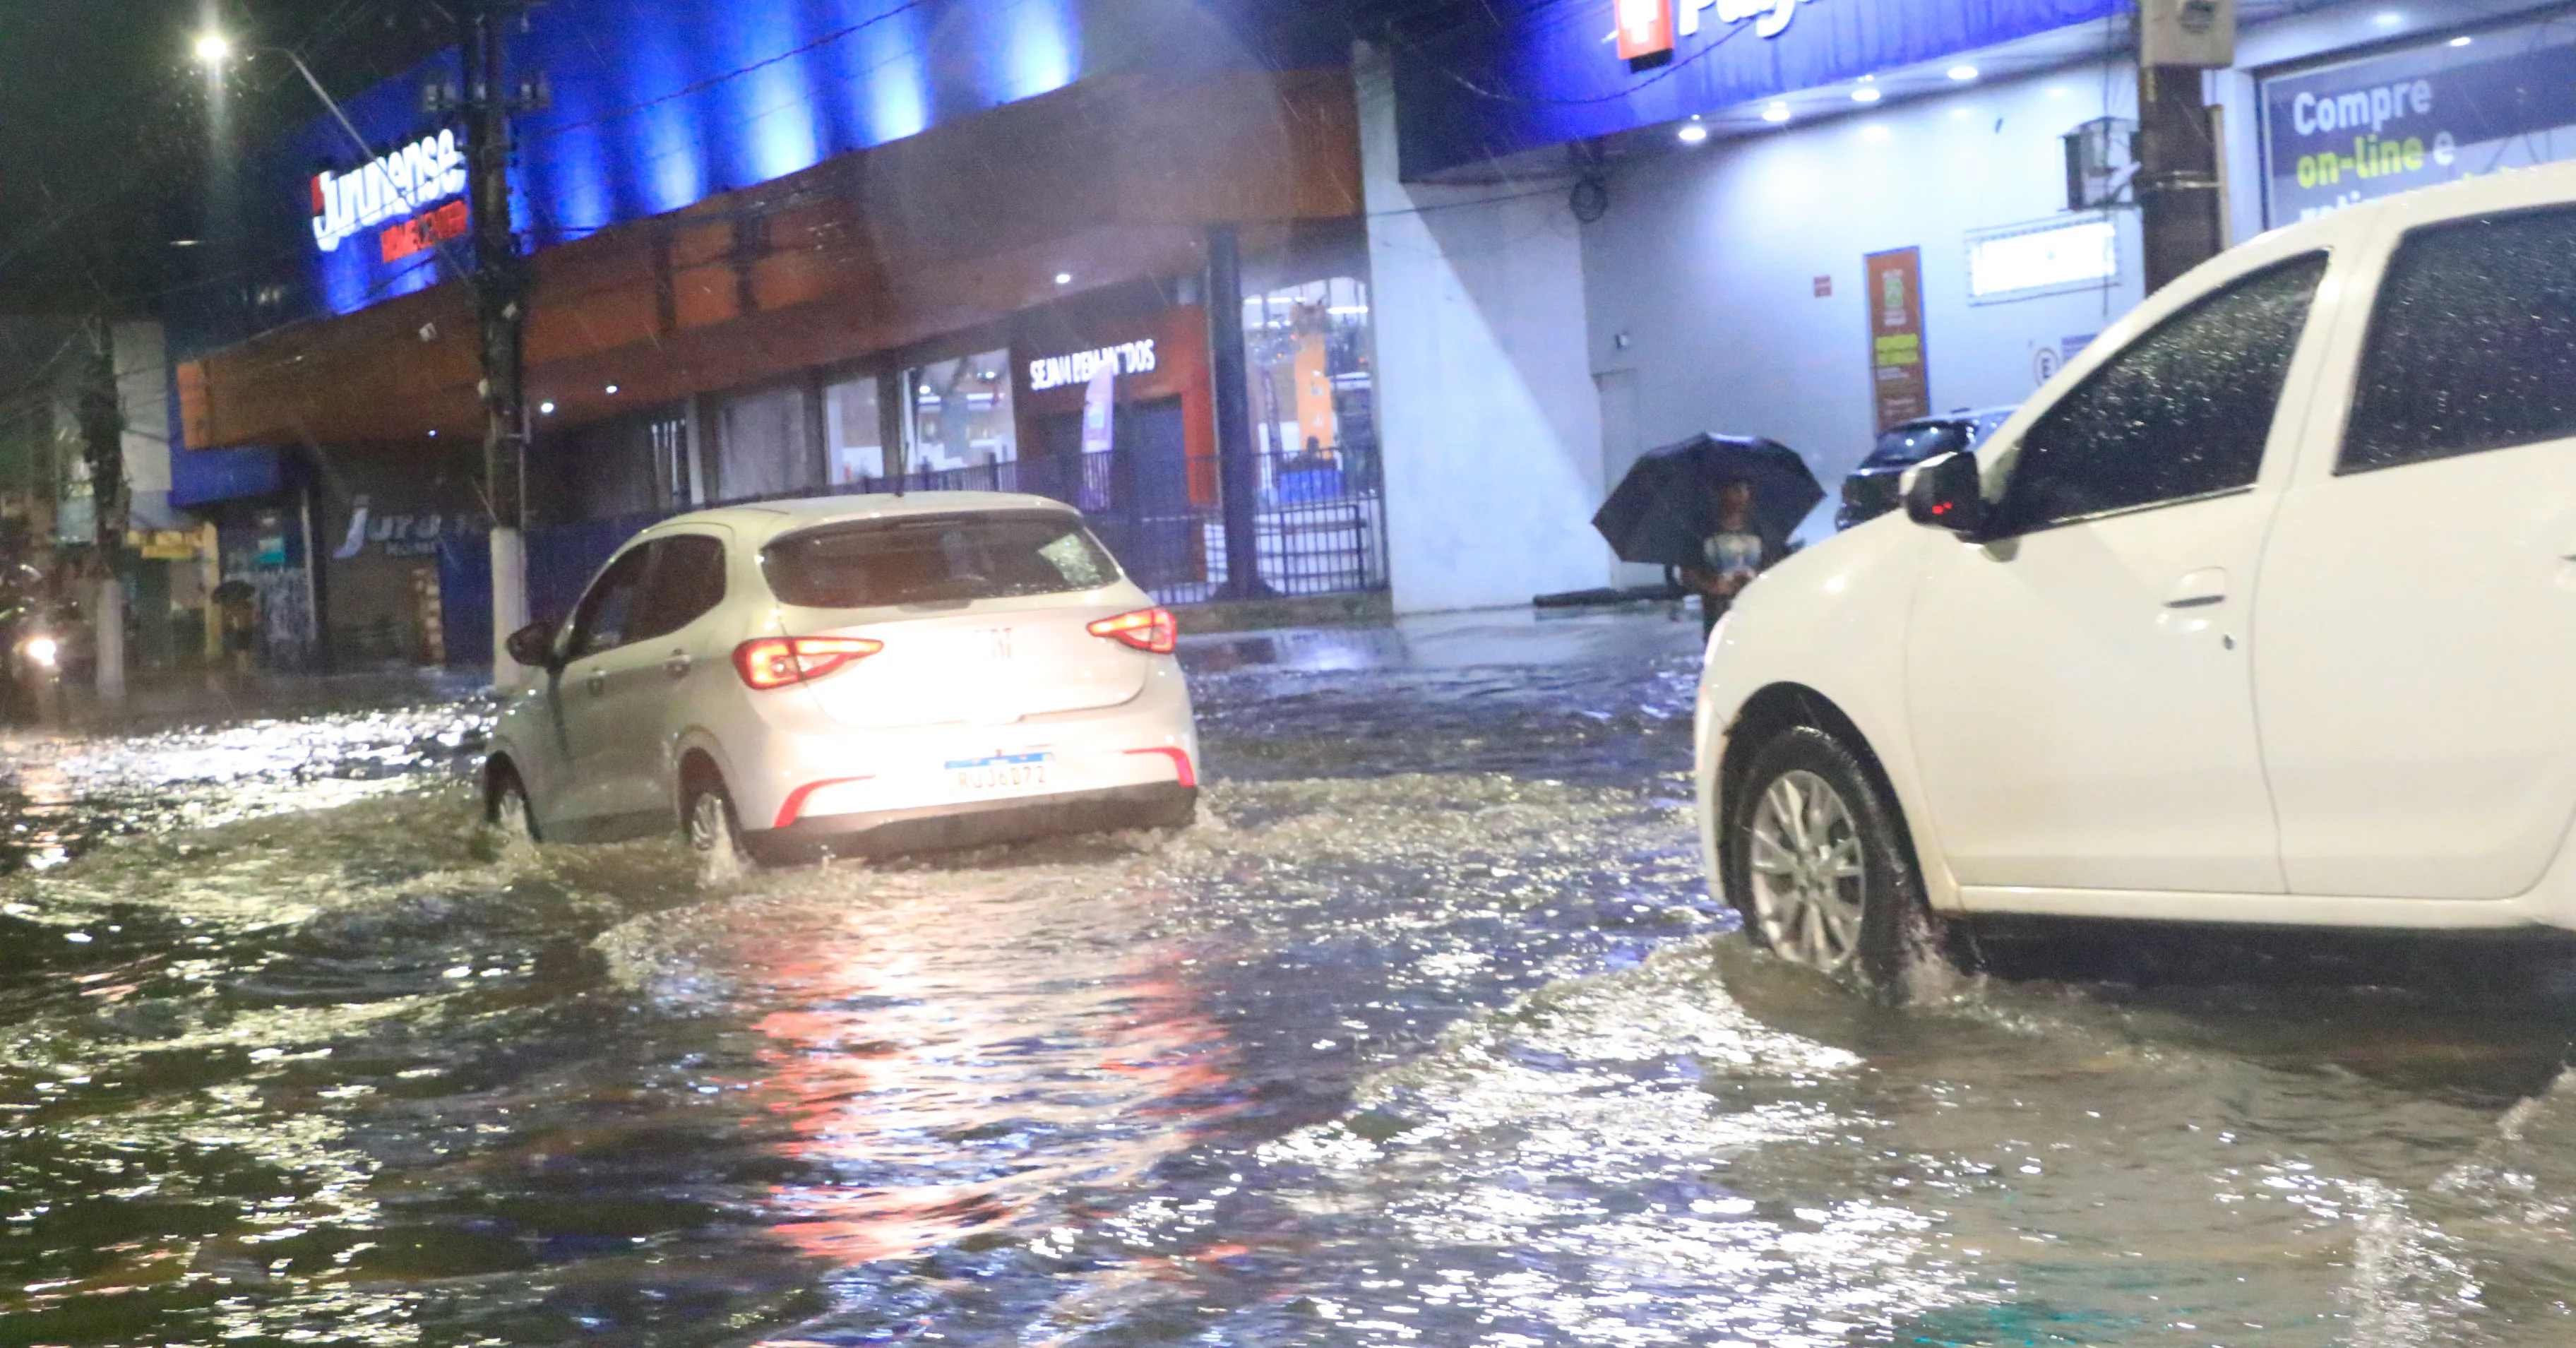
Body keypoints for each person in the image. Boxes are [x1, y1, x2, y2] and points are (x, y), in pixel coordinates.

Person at [1681, 477, 1778, 640]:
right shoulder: (1702, 533)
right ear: (1720, 494)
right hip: (1718, 618)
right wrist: (1712, 587)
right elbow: (1688, 575)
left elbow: (1776, 567)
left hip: (1757, 617)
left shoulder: (1762, 530)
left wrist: (1759, 578)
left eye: (1744, 489)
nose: (1741, 495)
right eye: (1735, 489)